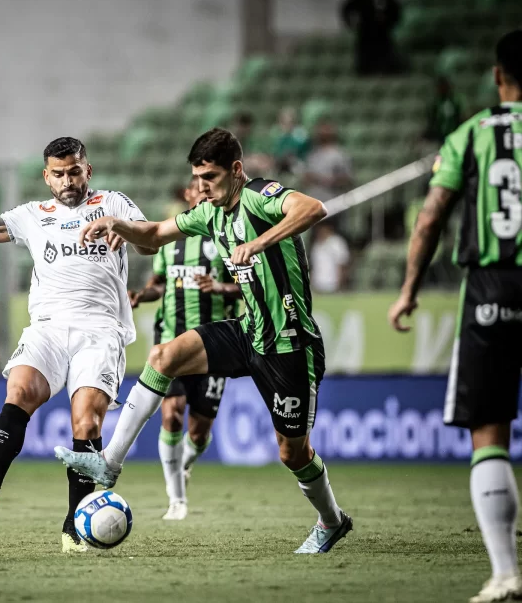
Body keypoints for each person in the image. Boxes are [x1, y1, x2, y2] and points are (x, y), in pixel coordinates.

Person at [56, 128, 353, 554]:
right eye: (196, 178)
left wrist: (258, 241)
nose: (201, 188)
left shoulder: (259, 196)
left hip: (290, 344)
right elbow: (155, 234)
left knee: (294, 454)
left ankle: (331, 520)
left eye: (209, 178)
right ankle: (109, 464)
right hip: (248, 330)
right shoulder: (209, 213)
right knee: (163, 356)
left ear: (236, 170)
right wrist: (116, 224)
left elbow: (314, 207)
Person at [0, 137, 154, 553]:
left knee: (85, 422)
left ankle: (74, 527)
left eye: (74, 171)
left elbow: (150, 241)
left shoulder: (114, 203)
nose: (68, 180)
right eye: (58, 173)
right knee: (21, 390)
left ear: (88, 170)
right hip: (47, 327)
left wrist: (122, 227)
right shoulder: (31, 216)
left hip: (100, 330)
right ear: (46, 177)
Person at [389, 30, 522, 603]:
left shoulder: (470, 134)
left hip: (491, 285)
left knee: (487, 429)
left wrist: (410, 290)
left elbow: (431, 218)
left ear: (498, 76)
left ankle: (506, 574)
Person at [130, 178, 240, 520]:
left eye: (201, 188)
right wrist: (140, 296)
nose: (196, 193)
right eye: (192, 190)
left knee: (200, 428)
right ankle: (176, 499)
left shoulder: (224, 234)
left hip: (214, 345)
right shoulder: (170, 241)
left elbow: (245, 284)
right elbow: (158, 285)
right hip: (172, 340)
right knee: (172, 411)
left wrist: (219, 287)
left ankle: (185, 464)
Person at [341, 0, 402, 76]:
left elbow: (396, 10)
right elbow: (347, 8)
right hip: (366, 32)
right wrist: (350, 24)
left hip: (382, 33)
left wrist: (389, 22)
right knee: (365, 56)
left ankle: (386, 72)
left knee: (385, 55)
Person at [303, 120, 354, 204]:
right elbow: (306, 178)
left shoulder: (340, 155)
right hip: (315, 203)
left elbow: (348, 179)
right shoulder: (313, 155)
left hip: (334, 202)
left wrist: (331, 181)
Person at [424, 75, 467, 145]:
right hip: (439, 136)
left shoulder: (456, 102)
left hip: (454, 133)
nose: (442, 89)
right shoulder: (435, 103)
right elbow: (432, 121)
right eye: (440, 87)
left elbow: (461, 117)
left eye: (444, 86)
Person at [310, 220, 351, 293]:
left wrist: (340, 284)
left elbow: (342, 265)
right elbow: (314, 266)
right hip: (318, 284)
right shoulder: (316, 244)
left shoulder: (337, 242)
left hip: (332, 284)